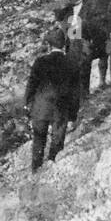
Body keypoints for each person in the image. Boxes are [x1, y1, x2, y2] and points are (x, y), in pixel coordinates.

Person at [25, 27, 82, 172]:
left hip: (41, 106)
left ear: (49, 45)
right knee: (57, 139)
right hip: (61, 107)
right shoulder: (72, 62)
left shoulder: (40, 61)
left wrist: (28, 103)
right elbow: (76, 91)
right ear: (64, 45)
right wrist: (73, 112)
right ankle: (52, 166)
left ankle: (35, 169)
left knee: (38, 139)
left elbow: (32, 84)